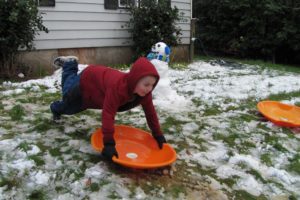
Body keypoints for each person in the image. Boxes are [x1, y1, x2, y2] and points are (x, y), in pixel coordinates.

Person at [50, 56, 167, 160]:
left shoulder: (145, 94)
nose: (149, 89)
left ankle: (58, 107)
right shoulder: (117, 88)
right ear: (135, 80)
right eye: (146, 84)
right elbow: (108, 114)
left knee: (70, 109)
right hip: (87, 79)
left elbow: (150, 113)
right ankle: (70, 64)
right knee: (67, 95)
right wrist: (109, 144)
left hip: (96, 94)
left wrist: (158, 135)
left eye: (152, 85)